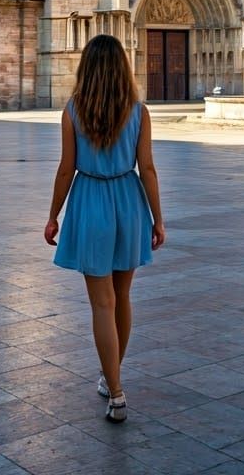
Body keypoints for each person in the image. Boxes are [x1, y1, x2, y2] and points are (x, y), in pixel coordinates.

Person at [44, 34, 166, 423]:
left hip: (91, 199)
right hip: (128, 202)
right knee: (123, 297)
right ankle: (111, 377)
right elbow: (146, 168)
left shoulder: (73, 111)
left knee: (102, 303)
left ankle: (115, 390)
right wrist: (158, 218)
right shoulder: (139, 111)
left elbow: (66, 168)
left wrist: (53, 215)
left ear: (87, 69)